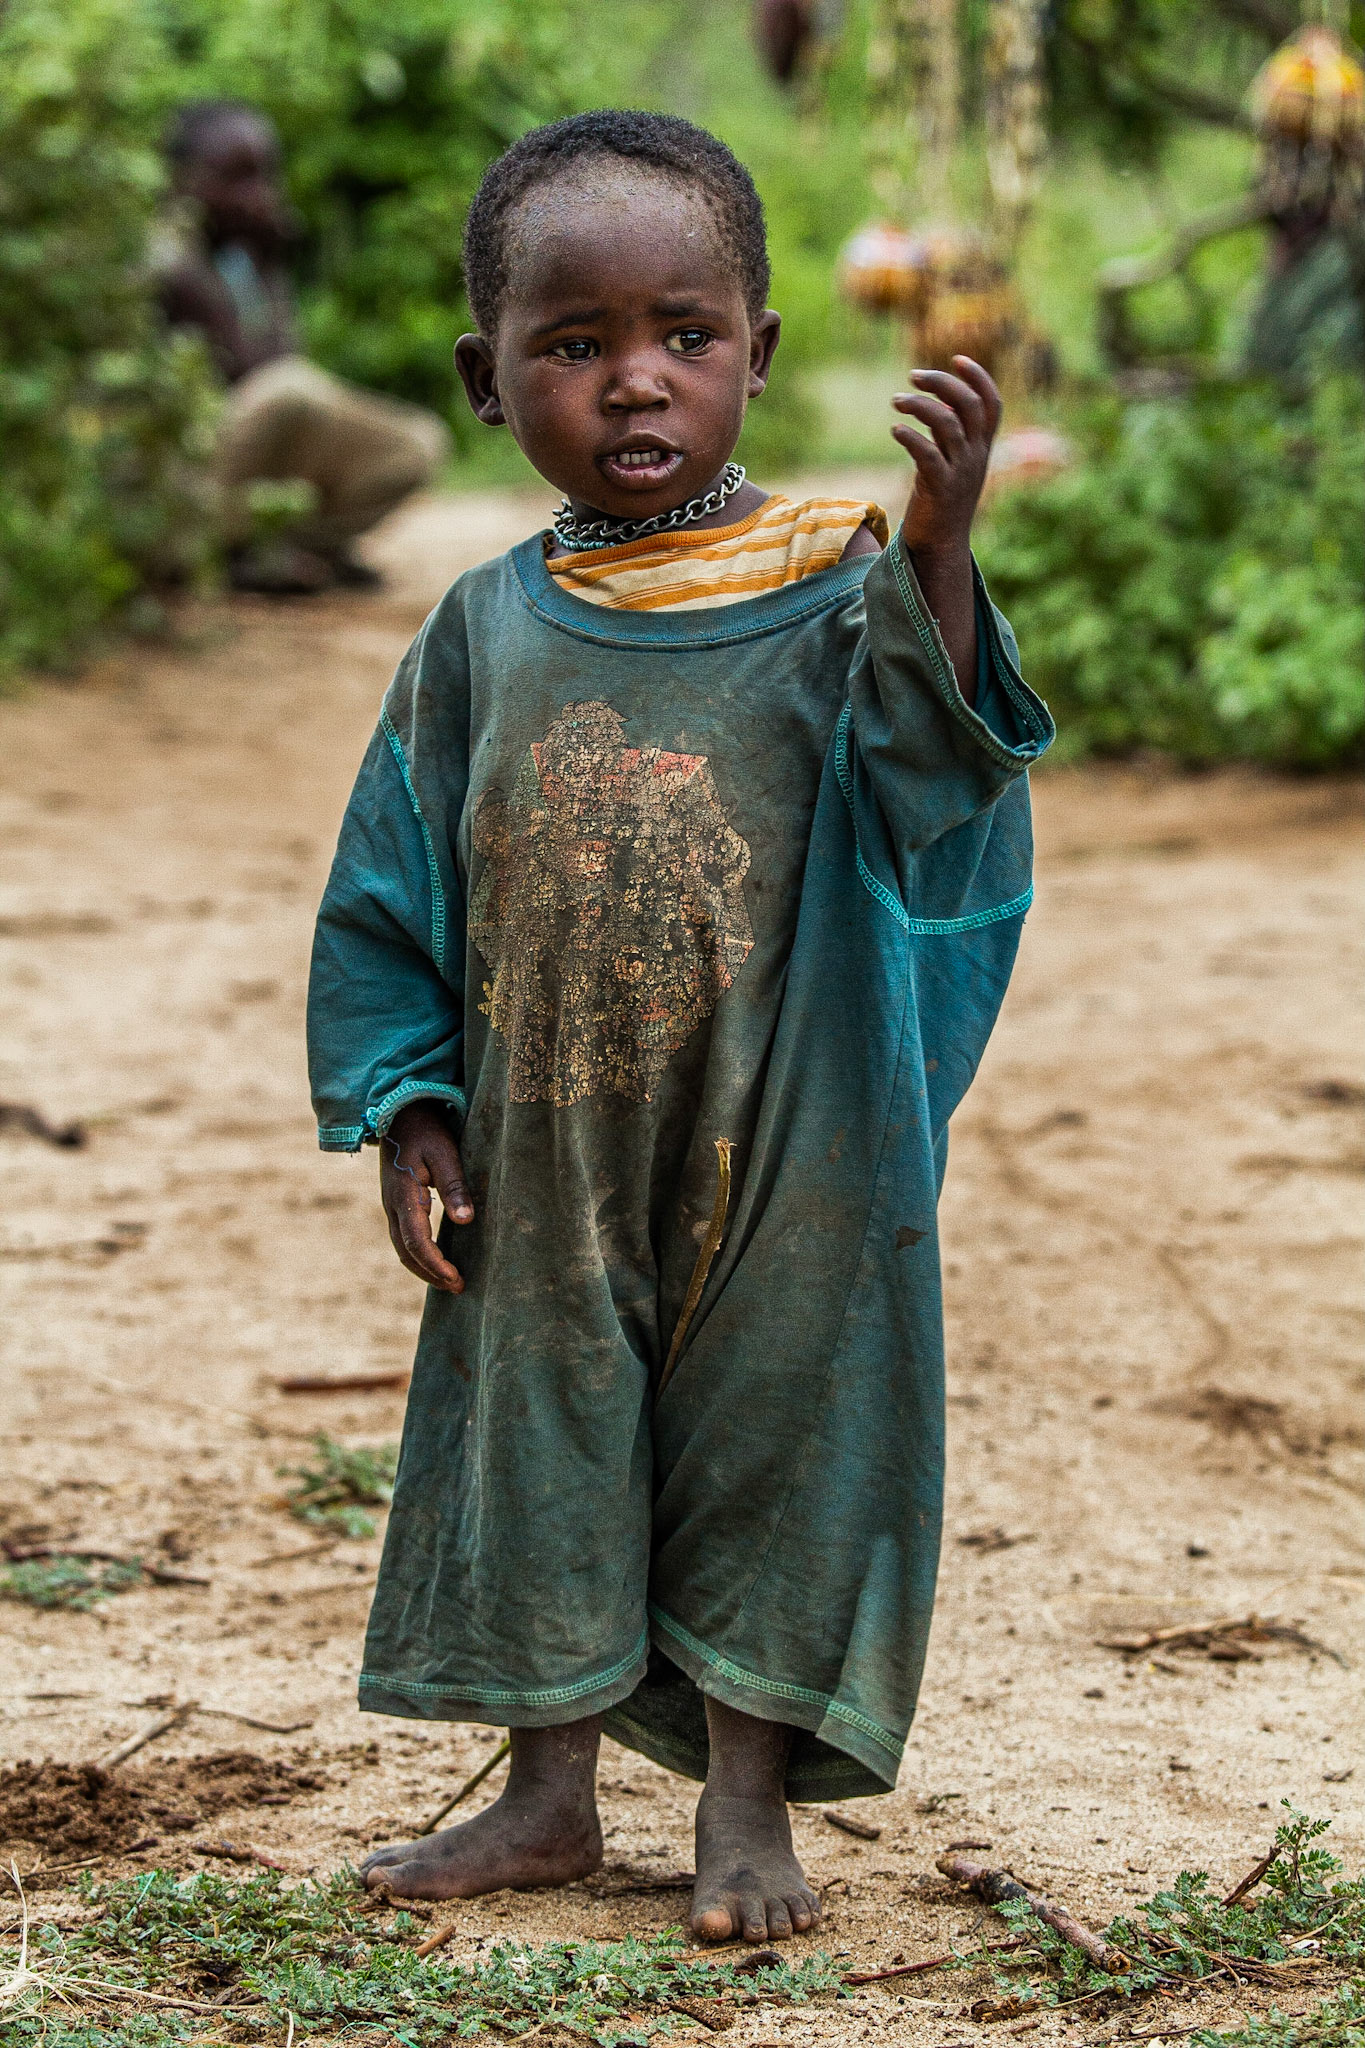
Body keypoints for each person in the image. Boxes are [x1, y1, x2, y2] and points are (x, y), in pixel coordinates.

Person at [307, 110, 1052, 1944]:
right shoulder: (483, 630)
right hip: (547, 1129)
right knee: (535, 1421)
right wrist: (413, 1101)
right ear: (488, 380)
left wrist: (942, 553)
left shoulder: (837, 586)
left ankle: (744, 1812)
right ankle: (544, 1796)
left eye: (685, 336)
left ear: (762, 350)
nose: (635, 384)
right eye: (573, 347)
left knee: (783, 1430)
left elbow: (933, 776)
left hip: (791, 1121)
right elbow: (392, 879)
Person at [155, 100, 450, 594]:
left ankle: (289, 549)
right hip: (176, 470)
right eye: (235, 177)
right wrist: (268, 261)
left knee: (417, 443)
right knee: (292, 388)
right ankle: (201, 556)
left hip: (243, 445)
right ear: (182, 180)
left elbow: (280, 362)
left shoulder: (241, 256)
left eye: (265, 175)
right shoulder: (165, 256)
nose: (258, 194)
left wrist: (271, 267)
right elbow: (254, 373)